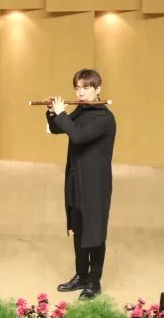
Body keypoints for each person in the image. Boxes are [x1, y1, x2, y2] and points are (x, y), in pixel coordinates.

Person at [46, 69, 117, 300]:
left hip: (95, 184)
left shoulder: (104, 118)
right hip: (76, 179)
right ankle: (81, 275)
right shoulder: (81, 111)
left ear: (98, 89)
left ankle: (94, 281)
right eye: (77, 88)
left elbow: (77, 136)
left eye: (86, 88)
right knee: (78, 229)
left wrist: (61, 114)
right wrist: (52, 113)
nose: (81, 93)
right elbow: (58, 127)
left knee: (94, 232)